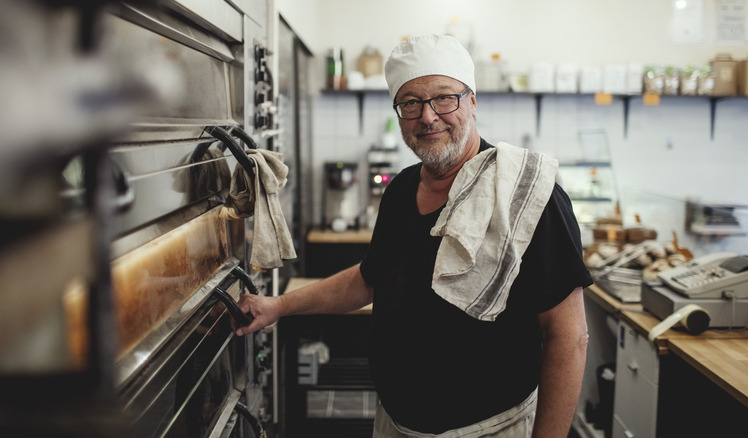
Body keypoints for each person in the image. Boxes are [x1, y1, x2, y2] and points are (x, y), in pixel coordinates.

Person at [234, 34, 592, 438]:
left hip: (488, 428)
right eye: (411, 103)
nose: (428, 116)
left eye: (444, 98)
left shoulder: (524, 196)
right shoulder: (402, 189)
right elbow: (371, 278)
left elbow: (568, 336)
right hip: (395, 423)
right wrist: (278, 305)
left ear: (472, 102)